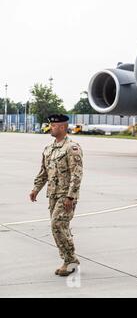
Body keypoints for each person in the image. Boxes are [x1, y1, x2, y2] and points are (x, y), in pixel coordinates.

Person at [29, 114, 83, 276]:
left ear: (62, 127)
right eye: (50, 125)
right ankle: (69, 260)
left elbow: (77, 174)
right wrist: (36, 188)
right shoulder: (49, 149)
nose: (50, 127)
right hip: (52, 195)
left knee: (57, 225)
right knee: (61, 227)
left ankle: (70, 259)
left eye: (53, 125)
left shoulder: (72, 148)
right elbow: (43, 172)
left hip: (65, 196)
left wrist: (70, 197)